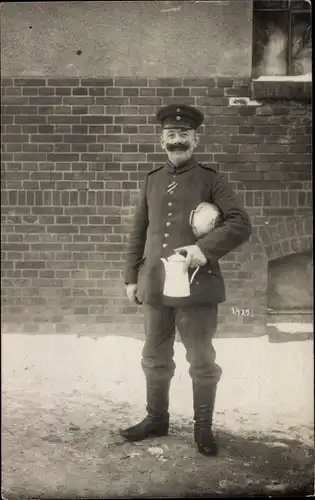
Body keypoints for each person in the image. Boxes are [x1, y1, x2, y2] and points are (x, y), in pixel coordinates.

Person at [120, 104, 252, 456]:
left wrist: (203, 248)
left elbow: (240, 223)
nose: (177, 141)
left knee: (201, 360)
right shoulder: (152, 179)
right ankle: (156, 419)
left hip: (196, 285)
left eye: (183, 135)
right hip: (155, 285)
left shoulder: (212, 180)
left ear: (196, 138)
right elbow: (139, 232)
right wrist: (132, 276)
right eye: (171, 135)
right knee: (154, 355)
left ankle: (203, 429)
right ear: (162, 139)